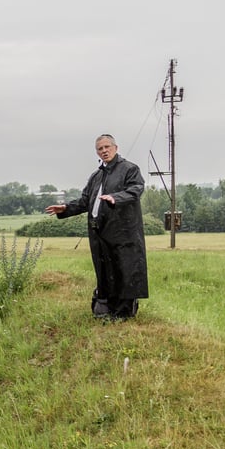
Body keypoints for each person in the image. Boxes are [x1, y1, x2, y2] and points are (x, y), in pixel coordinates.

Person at [45, 134, 149, 319]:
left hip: (123, 231)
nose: (104, 151)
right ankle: (106, 308)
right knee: (104, 270)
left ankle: (124, 313)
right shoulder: (97, 175)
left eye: (107, 147)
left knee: (124, 268)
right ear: (97, 152)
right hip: (99, 231)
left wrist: (115, 198)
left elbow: (135, 190)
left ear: (116, 148)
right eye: (100, 149)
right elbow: (86, 201)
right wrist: (66, 208)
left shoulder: (129, 169)